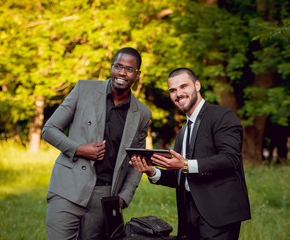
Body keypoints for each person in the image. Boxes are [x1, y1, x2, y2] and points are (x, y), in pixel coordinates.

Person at [42, 47, 151, 240]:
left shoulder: (142, 113)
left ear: (138, 75)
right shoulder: (84, 89)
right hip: (68, 187)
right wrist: (79, 149)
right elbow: (49, 130)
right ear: (111, 67)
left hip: (105, 197)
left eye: (129, 69)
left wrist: (124, 196)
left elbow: (137, 162)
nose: (122, 72)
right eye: (118, 66)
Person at [130, 68, 251, 240]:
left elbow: (230, 159)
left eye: (183, 86)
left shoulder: (222, 115)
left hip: (219, 215)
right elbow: (181, 177)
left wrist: (185, 164)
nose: (178, 94)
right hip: (189, 217)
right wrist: (151, 171)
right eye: (173, 90)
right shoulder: (182, 132)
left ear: (197, 85)